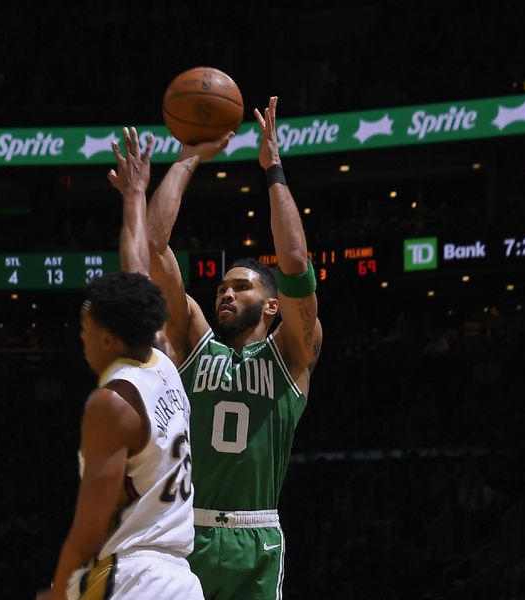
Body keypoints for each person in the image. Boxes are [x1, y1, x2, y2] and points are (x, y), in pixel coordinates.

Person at [147, 97, 323, 598]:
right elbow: (155, 245)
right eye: (223, 286)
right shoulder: (195, 344)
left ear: (273, 307)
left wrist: (273, 170)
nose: (226, 292)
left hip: (257, 535)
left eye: (241, 287)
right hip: (188, 531)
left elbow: (293, 259)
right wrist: (187, 158)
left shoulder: (292, 355)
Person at [39, 128, 203, 600]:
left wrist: (58, 590)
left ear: (109, 337)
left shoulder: (111, 404)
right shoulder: (163, 364)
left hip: (131, 578)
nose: (81, 338)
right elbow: (139, 276)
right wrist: (133, 196)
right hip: (180, 581)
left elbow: (92, 525)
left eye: (85, 329)